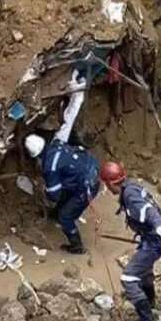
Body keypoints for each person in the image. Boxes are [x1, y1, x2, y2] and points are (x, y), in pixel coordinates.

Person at [24, 72, 98, 254]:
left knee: (66, 217)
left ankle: (77, 246)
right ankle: (58, 213)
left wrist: (42, 191)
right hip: (90, 167)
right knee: (67, 192)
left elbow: (54, 194)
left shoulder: (50, 167)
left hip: (88, 183)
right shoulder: (57, 143)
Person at [100, 161, 161, 321]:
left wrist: (158, 226)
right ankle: (150, 303)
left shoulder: (130, 196)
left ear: (110, 183)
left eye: (106, 185)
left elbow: (148, 211)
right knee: (144, 272)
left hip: (154, 240)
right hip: (150, 238)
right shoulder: (131, 187)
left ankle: (147, 319)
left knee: (128, 278)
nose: (107, 189)